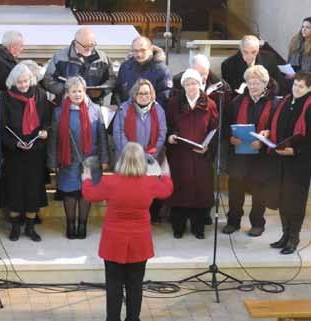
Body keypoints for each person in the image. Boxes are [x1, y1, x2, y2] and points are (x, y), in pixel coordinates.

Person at [82, 142, 173, 321]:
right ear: (142, 162)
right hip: (140, 242)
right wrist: (164, 167)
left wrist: (85, 176)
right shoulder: (150, 183)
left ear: (121, 160)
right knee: (135, 285)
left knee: (114, 285)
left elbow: (90, 194)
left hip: (113, 242)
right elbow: (167, 189)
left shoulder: (110, 182)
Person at [0, 63, 51, 241]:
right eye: (20, 82)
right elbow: (1, 128)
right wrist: (15, 143)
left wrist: (45, 131)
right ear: (13, 82)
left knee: (34, 190)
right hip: (14, 152)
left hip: (35, 151)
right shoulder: (4, 98)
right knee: (15, 189)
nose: (24, 85)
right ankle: (16, 226)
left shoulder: (40, 95)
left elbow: (47, 120)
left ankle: (31, 227)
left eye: (26, 81)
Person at [48, 76, 109, 239]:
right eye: (73, 91)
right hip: (68, 159)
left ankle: (82, 224)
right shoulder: (59, 111)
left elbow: (102, 136)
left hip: (90, 159)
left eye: (80, 91)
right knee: (70, 193)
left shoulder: (95, 109)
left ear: (85, 91)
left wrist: (104, 159)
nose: (77, 94)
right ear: (67, 93)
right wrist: (52, 161)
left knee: (85, 193)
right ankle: (70, 224)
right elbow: (53, 137)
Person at [268, 72, 311, 254]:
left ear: (309, 88)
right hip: (281, 159)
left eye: (300, 86)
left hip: (299, 163)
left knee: (296, 201)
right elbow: (276, 124)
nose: (296, 89)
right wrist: (269, 134)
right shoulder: (285, 102)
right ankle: (284, 235)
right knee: (283, 198)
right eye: (294, 85)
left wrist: (296, 151)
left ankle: (294, 238)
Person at [222, 65, 280, 237]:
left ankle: (257, 223)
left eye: (257, 83)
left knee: (259, 190)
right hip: (239, 154)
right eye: (249, 82)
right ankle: (233, 221)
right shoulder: (237, 102)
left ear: (265, 83)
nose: (253, 86)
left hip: (261, 156)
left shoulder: (275, 104)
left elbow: (277, 128)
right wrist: (231, 138)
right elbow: (226, 125)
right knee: (235, 190)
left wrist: (265, 138)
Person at [166, 69, 219, 239]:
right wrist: (171, 136)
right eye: (187, 84)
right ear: (183, 86)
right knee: (180, 192)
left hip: (200, 157)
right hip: (179, 156)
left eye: (194, 83)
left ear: (200, 84)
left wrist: (207, 147)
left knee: (199, 193)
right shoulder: (174, 103)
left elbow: (215, 129)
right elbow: (168, 125)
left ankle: (198, 228)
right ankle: (178, 227)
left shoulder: (210, 104)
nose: (191, 87)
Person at [112, 79, 167, 222]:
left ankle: (148, 217)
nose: (144, 96)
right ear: (134, 94)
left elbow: (162, 133)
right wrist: (132, 154)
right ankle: (128, 217)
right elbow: (118, 133)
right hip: (127, 159)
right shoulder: (124, 109)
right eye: (140, 93)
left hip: (151, 157)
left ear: (152, 94)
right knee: (128, 191)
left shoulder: (158, 109)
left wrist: (150, 154)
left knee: (147, 191)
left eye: (147, 93)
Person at [43, 27, 116, 105]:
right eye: (85, 46)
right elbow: (48, 81)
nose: (89, 49)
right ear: (75, 43)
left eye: (92, 45)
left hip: (94, 106)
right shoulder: (60, 57)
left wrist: (102, 91)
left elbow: (112, 80)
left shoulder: (103, 58)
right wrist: (68, 90)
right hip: (65, 106)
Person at [115, 36, 172, 107]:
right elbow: (117, 91)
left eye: (143, 50)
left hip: (151, 114)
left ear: (151, 49)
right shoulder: (125, 67)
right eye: (136, 51)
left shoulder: (162, 70)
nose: (139, 54)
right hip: (125, 112)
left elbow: (164, 99)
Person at [287, 17, 311, 98]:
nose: (304, 29)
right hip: (292, 76)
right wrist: (288, 71)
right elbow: (289, 60)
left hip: (305, 80)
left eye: (307, 27)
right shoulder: (296, 40)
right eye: (303, 27)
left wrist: (296, 75)